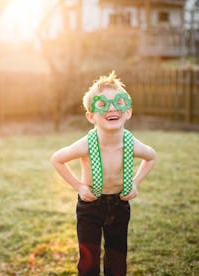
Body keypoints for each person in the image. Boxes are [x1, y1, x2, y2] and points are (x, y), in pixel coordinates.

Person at [50, 71, 156, 275]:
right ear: (91, 116)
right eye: (102, 104)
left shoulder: (131, 143)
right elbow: (57, 159)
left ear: (128, 112)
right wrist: (79, 186)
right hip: (90, 207)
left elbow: (151, 157)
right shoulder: (86, 145)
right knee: (88, 262)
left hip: (119, 206)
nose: (112, 108)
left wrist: (135, 183)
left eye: (119, 102)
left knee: (117, 261)